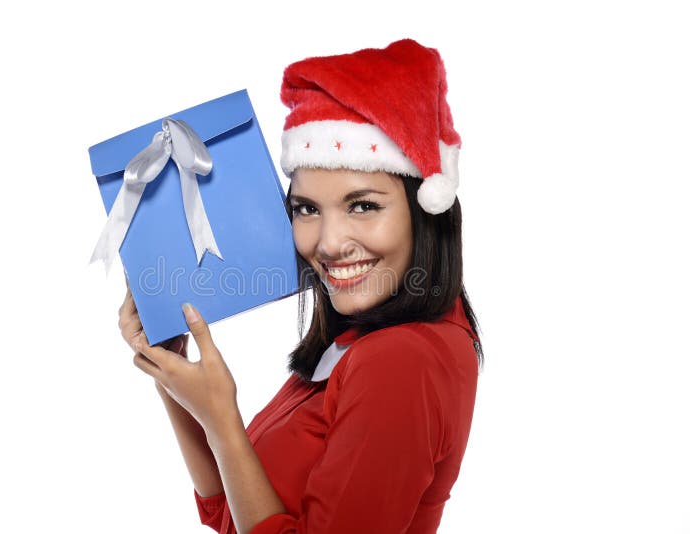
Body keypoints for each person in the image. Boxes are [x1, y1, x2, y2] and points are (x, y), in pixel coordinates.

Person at [118, 39, 483, 534]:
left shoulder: (401, 361)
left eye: (363, 206)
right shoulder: (360, 339)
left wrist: (223, 419)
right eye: (307, 209)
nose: (329, 244)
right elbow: (227, 511)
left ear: (424, 212)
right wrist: (174, 374)